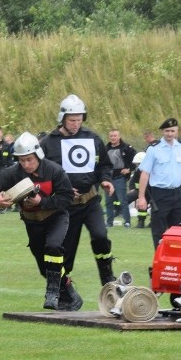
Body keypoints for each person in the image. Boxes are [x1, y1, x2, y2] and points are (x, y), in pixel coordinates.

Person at [0, 132, 80, 310]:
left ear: (38, 155)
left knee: (54, 246)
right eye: (21, 160)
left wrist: (43, 202)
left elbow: (67, 197)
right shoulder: (13, 173)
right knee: (45, 268)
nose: (26, 164)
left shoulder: (54, 170)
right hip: (32, 223)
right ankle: (69, 292)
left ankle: (53, 293)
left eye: (29, 159)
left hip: (56, 217)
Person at [40, 94, 117, 287]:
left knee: (100, 236)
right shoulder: (48, 143)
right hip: (65, 207)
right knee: (66, 250)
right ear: (62, 119)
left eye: (79, 120)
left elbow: (105, 165)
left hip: (90, 201)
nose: (76, 124)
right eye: (72, 120)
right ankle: (64, 289)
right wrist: (58, 191)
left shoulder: (93, 138)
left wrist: (105, 180)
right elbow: (40, 174)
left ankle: (107, 277)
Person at [136, 118, 181, 248]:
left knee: (180, 230)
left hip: (178, 193)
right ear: (162, 131)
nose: (170, 134)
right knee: (159, 230)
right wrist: (141, 197)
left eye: (173, 131)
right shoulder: (154, 149)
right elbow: (145, 173)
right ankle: (160, 260)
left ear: (177, 131)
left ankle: (178, 262)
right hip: (160, 194)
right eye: (167, 131)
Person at [104, 129, 137, 228]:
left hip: (120, 178)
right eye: (111, 136)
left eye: (115, 136)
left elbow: (136, 160)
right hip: (108, 179)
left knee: (123, 201)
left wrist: (129, 169)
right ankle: (109, 222)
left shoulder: (127, 148)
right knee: (108, 202)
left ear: (119, 136)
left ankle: (127, 222)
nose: (113, 138)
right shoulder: (106, 148)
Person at [126, 151, 148, 228]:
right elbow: (132, 181)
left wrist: (141, 197)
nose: (138, 166)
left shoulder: (151, 171)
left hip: (150, 192)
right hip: (138, 191)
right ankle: (126, 219)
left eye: (139, 164)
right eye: (137, 164)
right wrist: (132, 189)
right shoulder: (137, 171)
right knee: (126, 199)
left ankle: (147, 221)